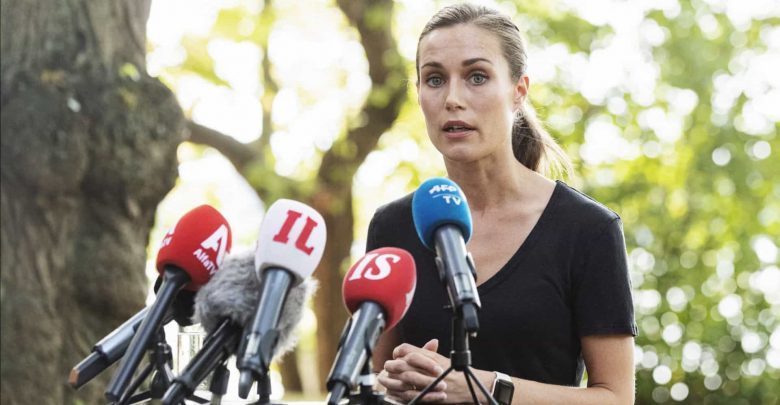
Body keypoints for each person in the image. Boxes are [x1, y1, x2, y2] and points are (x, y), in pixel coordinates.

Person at [365, 3, 637, 405]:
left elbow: (615, 398)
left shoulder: (588, 230)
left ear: (518, 91)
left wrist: (483, 387)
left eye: (477, 77)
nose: (453, 98)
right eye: (434, 79)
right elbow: (370, 380)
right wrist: (393, 383)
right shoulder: (392, 227)